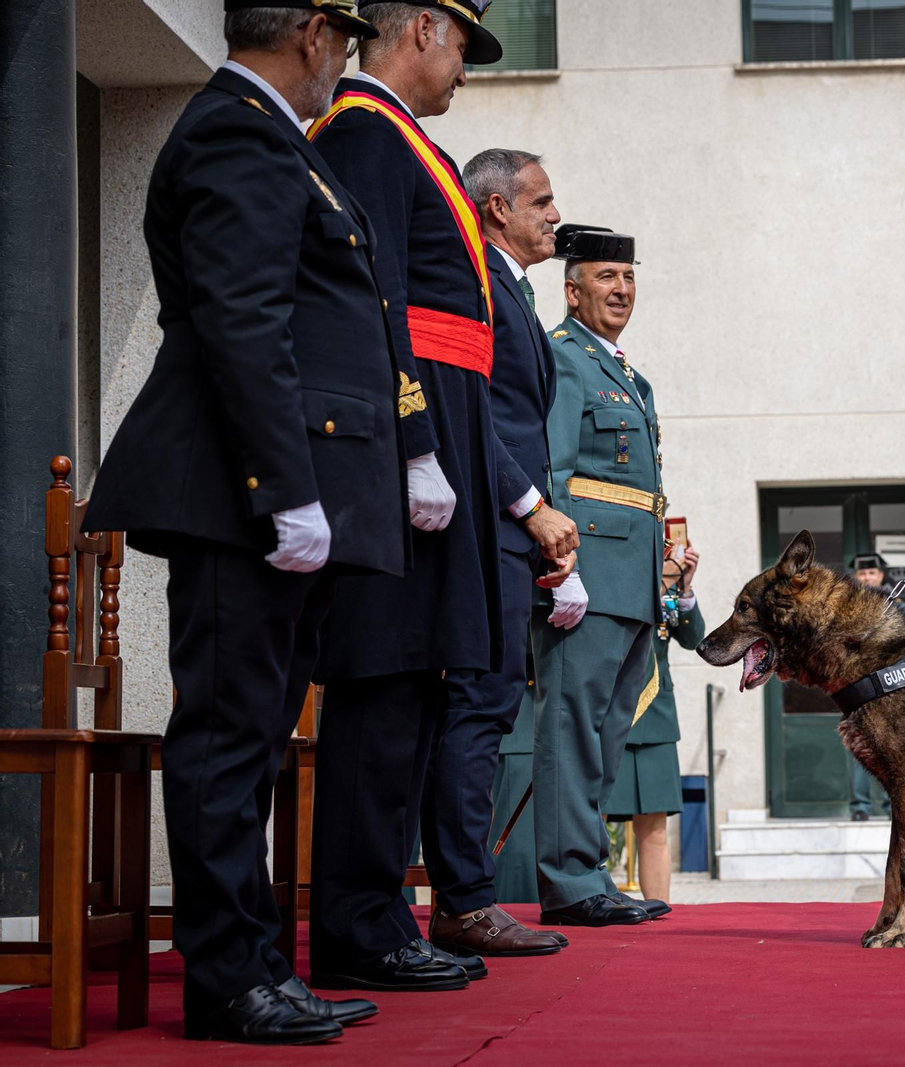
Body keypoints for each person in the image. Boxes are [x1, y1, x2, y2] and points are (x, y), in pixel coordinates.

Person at [81, 0, 403, 1043]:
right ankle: (228, 978)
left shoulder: (269, 137)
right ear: (312, 32)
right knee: (228, 737)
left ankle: (256, 962)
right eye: (345, 44)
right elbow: (241, 316)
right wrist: (287, 484)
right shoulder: (237, 129)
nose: (340, 66)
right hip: (236, 494)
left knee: (254, 735)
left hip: (253, 489)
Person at [305, 0, 510, 993]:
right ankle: (356, 922)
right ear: (424, 29)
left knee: (419, 684)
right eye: (465, 45)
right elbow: (372, 296)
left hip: (441, 436)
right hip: (406, 444)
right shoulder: (364, 129)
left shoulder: (398, 136)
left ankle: (382, 912)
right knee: (385, 686)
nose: (465, 68)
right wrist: (415, 440)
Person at [415, 148, 579, 959]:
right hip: (484, 520)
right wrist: (529, 506)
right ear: (494, 208)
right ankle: (464, 898)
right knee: (477, 707)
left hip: (509, 525)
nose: (555, 215)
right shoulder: (477, 280)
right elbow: (473, 411)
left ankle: (463, 892)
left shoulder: (509, 286)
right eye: (540, 201)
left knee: (488, 705)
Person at [527, 224, 668, 927]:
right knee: (572, 730)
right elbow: (550, 471)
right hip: (586, 575)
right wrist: (561, 569)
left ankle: (589, 871)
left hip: (631, 581)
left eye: (628, 277)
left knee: (606, 735)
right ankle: (568, 879)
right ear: (572, 287)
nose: (620, 290)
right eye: (605, 278)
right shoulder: (567, 360)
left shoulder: (626, 374)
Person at [602, 546, 706, 903]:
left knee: (655, 827)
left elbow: (694, 639)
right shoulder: (611, 562)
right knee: (588, 823)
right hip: (605, 710)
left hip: (655, 716)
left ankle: (660, 914)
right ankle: (585, 903)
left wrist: (684, 588)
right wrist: (660, 581)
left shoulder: (668, 579)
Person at [847, 553, 892, 821]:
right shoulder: (847, 607)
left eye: (871, 573)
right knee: (858, 745)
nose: (867, 577)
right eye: (862, 574)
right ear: (856, 577)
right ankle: (860, 807)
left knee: (894, 747)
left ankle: (891, 806)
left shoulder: (895, 604)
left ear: (881, 576)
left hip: (891, 686)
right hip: (858, 685)